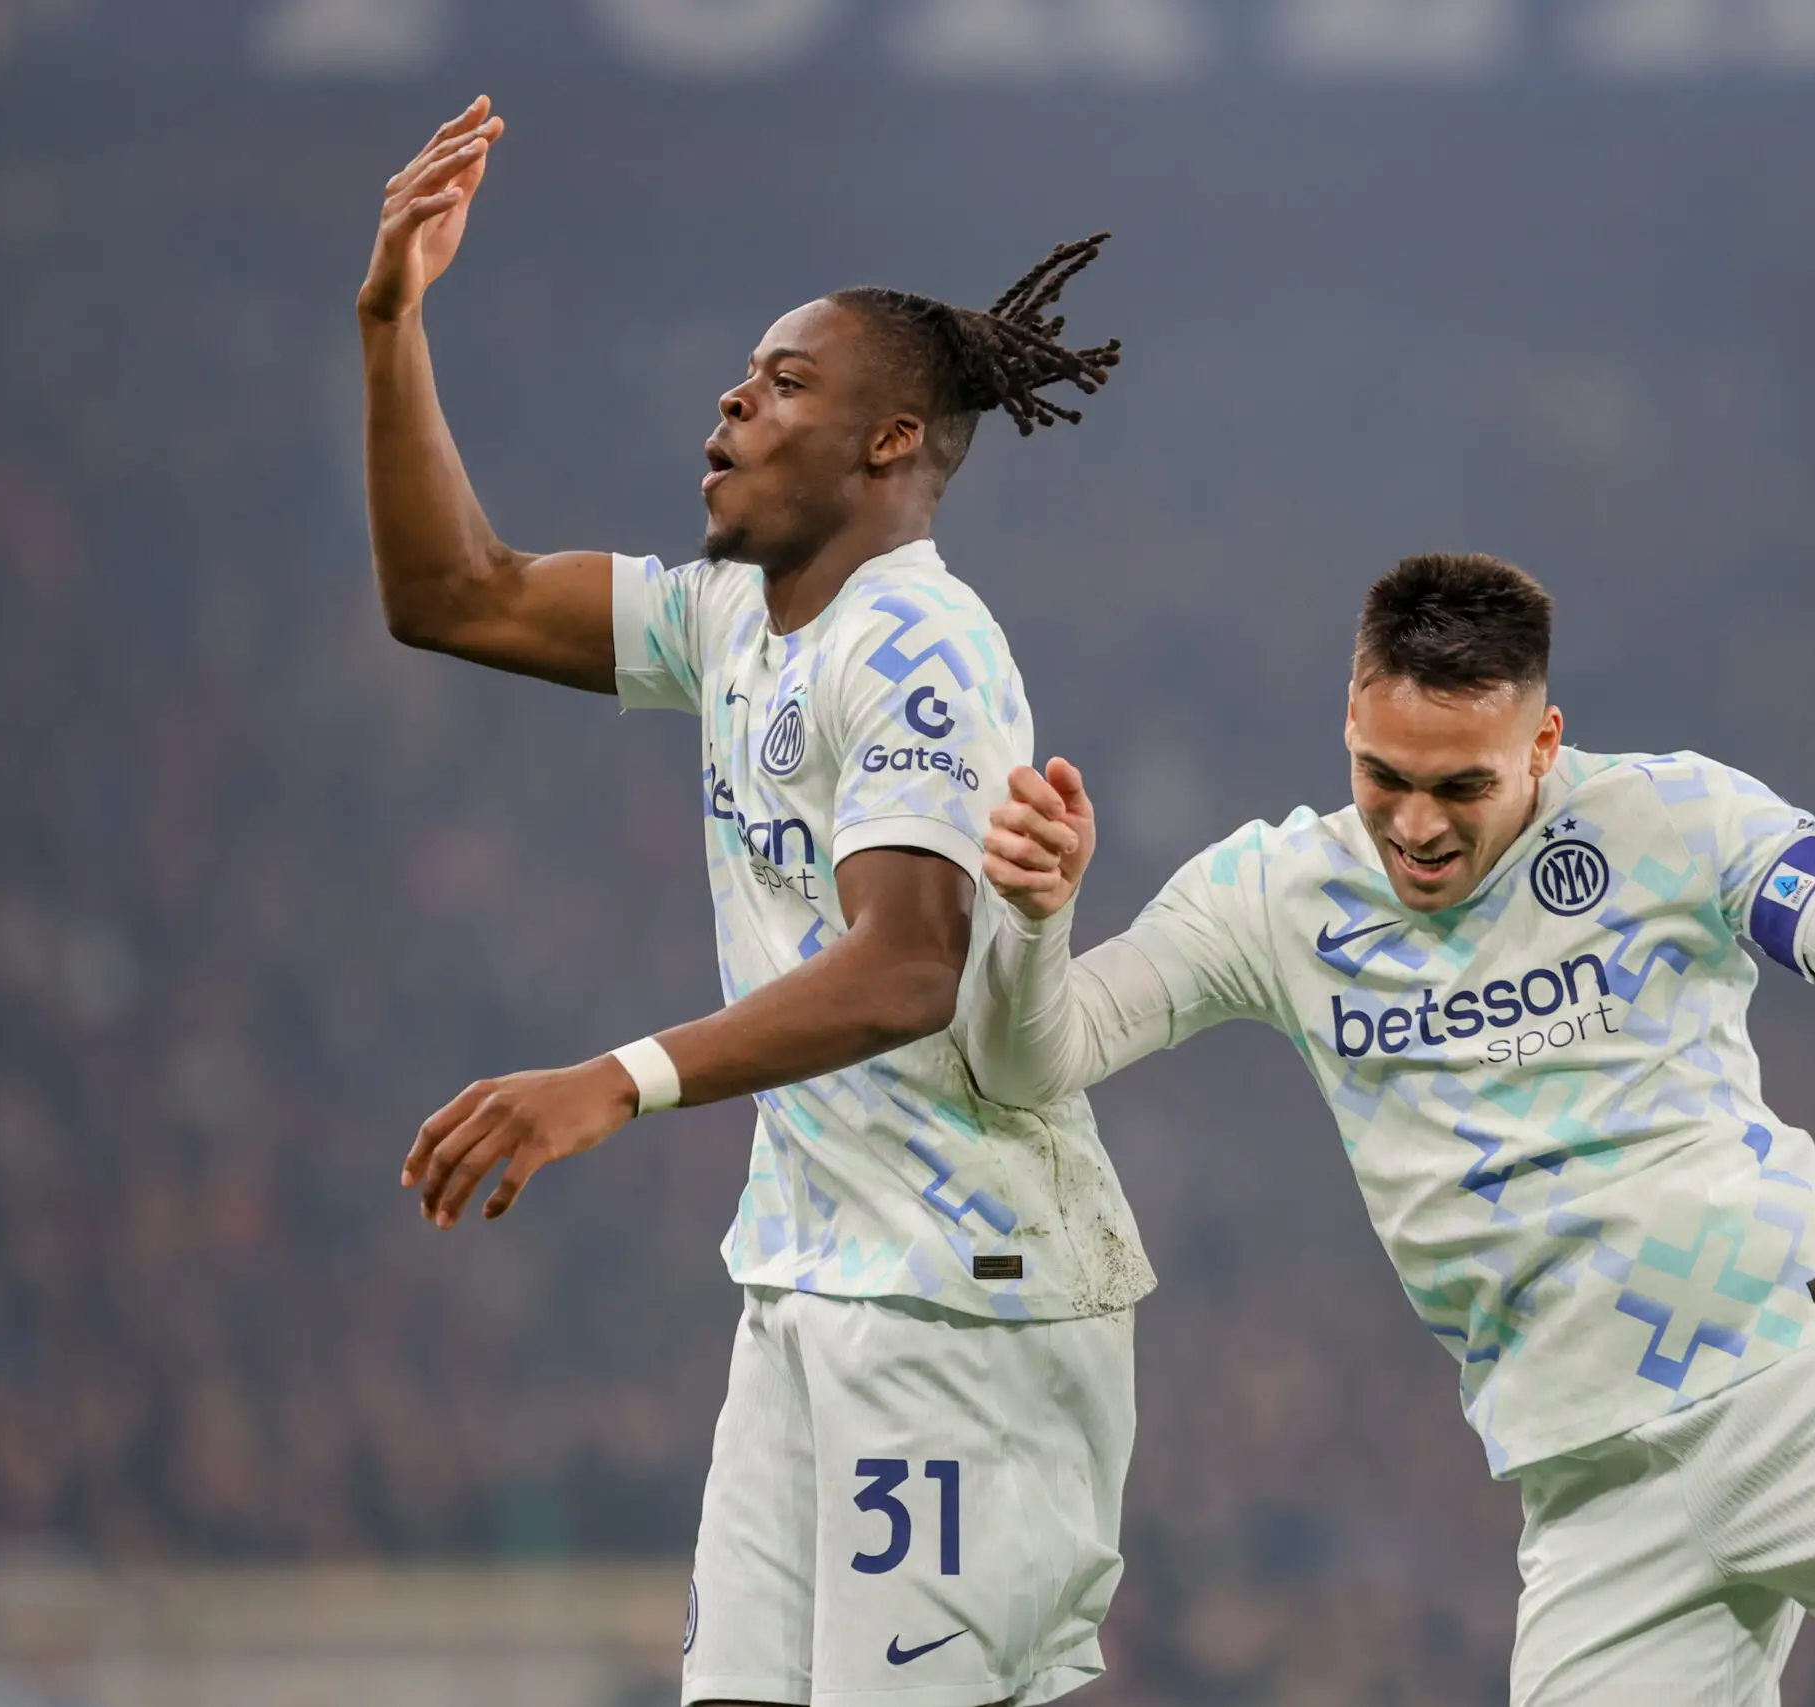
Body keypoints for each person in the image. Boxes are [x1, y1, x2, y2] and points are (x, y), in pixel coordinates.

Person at [970, 552, 1815, 1707]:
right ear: (1348, 722)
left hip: (1797, 1362)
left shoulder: (1667, 816)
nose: (1416, 824)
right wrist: (1034, 922)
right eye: (1384, 775)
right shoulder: (1272, 896)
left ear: (1542, 742)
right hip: (1591, 1472)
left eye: (1460, 787)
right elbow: (1037, 1060)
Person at [359, 97, 1154, 1707]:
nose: (732, 400)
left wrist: (616, 1078)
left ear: (888, 442)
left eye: (785, 381)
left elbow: (911, 963)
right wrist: (392, 325)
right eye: (743, 375)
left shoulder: (917, 647)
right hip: (807, 1279)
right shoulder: (733, 620)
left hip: (960, 1300)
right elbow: (454, 594)